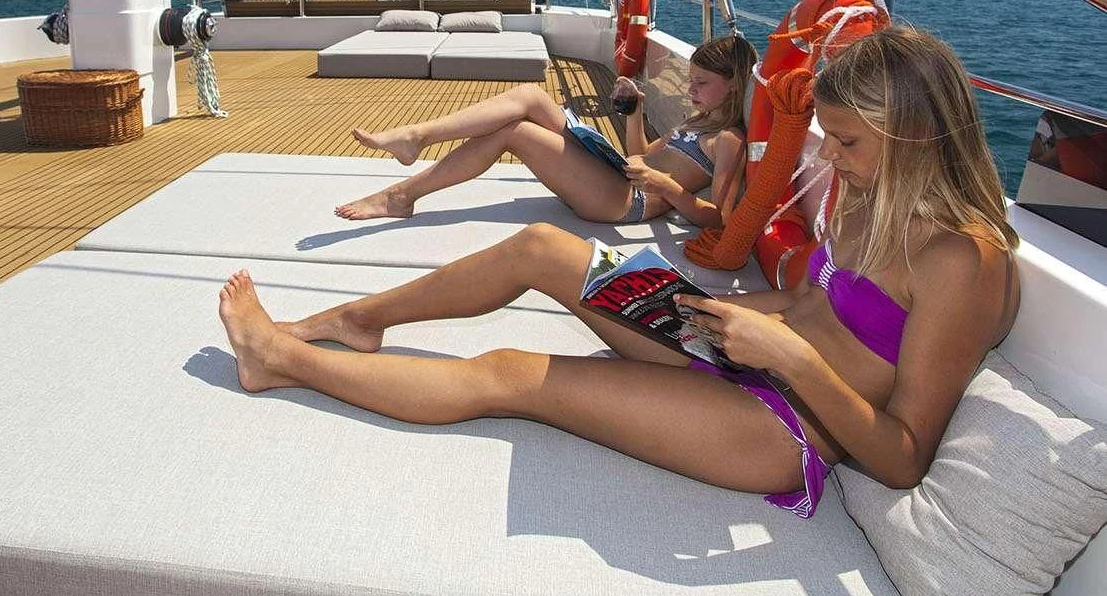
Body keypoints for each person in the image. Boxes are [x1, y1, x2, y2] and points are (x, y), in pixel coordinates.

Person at [218, 26, 1020, 515]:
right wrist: (711, 307)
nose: (831, 159)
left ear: (914, 133)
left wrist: (787, 354)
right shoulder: (864, 200)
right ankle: (362, 319)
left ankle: (279, 359)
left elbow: (905, 456)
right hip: (735, 346)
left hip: (784, 427)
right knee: (538, 245)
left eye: (846, 142)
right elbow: (808, 300)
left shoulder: (965, 262)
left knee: (513, 374)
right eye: (832, 139)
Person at [333, 34, 758, 229]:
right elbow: (642, 155)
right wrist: (634, 110)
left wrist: (666, 186)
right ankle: (417, 136)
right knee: (532, 96)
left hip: (626, 201)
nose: (691, 89)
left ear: (733, 85)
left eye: (701, 83)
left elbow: (720, 219)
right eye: (692, 80)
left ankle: (401, 196)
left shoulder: (729, 141)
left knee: (516, 132)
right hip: (622, 174)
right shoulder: (697, 122)